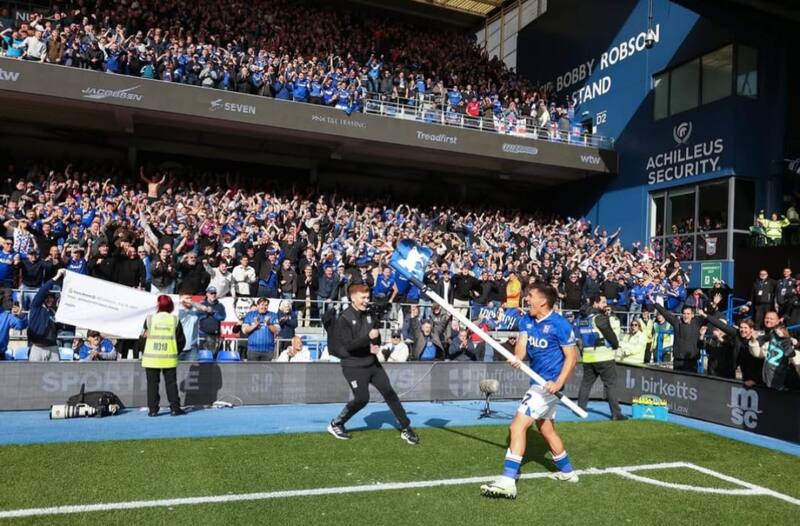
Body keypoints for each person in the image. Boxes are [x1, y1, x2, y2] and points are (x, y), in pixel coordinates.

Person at [480, 284, 579, 499]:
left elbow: (572, 358)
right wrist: (517, 358)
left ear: (543, 301)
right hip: (537, 382)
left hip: (548, 385)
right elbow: (522, 347)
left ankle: (508, 480)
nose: (527, 299)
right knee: (546, 429)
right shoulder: (526, 320)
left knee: (516, 425)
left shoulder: (560, 325)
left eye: (531, 296)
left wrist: (558, 383)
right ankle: (568, 471)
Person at [326, 284, 419, 444]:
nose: (366, 301)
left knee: (389, 392)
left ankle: (406, 427)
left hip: (371, 362)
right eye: (363, 297)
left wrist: (375, 342)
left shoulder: (369, 314)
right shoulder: (344, 318)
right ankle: (337, 423)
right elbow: (348, 346)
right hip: (353, 365)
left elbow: (376, 338)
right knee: (362, 398)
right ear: (353, 298)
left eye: (367, 297)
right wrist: (368, 338)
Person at [576, 295, 626, 420]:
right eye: (603, 302)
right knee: (610, 385)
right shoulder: (599, 318)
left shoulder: (582, 318)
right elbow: (611, 336)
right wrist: (615, 345)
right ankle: (616, 413)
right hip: (603, 356)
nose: (605, 304)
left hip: (588, 356)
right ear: (595, 303)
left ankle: (580, 408)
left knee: (586, 384)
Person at [141, 295, 186, 417]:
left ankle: (153, 410)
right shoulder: (174, 320)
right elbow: (181, 340)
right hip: (169, 357)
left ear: (158, 305)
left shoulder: (150, 319)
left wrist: (144, 351)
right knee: (171, 383)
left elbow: (142, 338)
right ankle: (175, 408)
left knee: (152, 384)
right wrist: (176, 351)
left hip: (151, 358)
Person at [653, 297, 705, 372]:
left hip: (691, 361)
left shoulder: (697, 323)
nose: (686, 316)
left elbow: (709, 315)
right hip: (678, 361)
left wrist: (714, 304)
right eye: (684, 313)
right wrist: (656, 304)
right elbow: (666, 314)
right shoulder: (677, 323)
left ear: (692, 315)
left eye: (688, 314)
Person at [747, 321, 800, 390]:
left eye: (780, 329)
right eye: (777, 329)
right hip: (768, 370)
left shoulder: (787, 341)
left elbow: (791, 354)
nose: (778, 331)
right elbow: (761, 339)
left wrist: (793, 345)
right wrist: (755, 339)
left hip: (780, 373)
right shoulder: (772, 335)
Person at [28, 268, 66, 361]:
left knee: (56, 374)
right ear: (43, 299)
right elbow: (42, 291)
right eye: (47, 298)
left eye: (52, 298)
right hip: (38, 348)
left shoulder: (55, 312)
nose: (50, 300)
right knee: (32, 374)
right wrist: (57, 276)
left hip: (53, 347)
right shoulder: (36, 307)